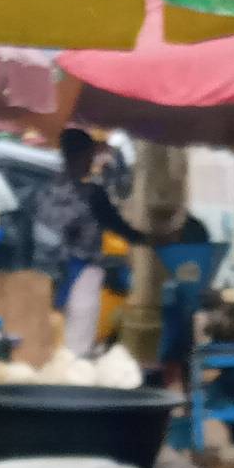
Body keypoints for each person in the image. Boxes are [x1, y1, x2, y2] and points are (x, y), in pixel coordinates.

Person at [30, 127, 148, 355]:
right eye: (90, 155)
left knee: (48, 332)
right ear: (83, 155)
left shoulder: (44, 190)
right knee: (78, 337)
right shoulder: (92, 194)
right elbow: (117, 225)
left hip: (46, 271)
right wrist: (148, 239)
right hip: (82, 270)